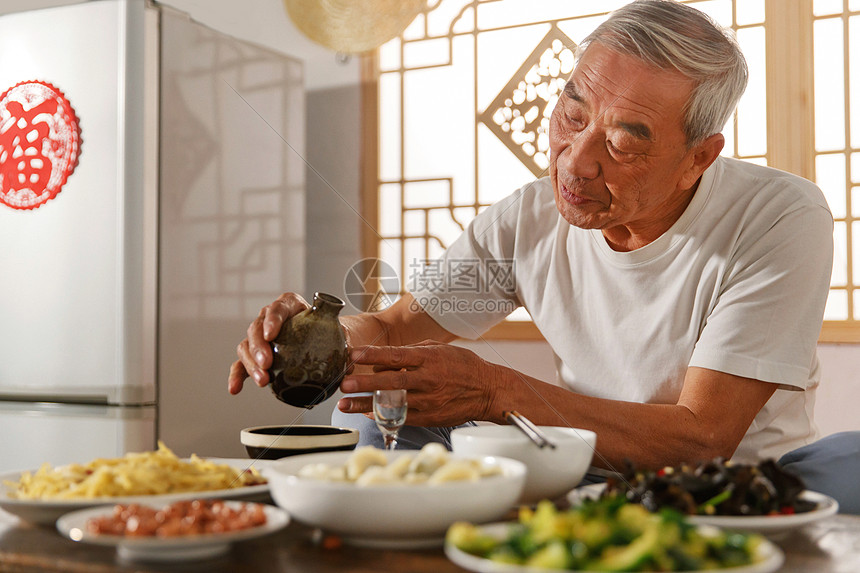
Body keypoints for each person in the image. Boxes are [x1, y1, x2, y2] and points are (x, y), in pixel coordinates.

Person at [229, 0, 860, 512]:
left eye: (621, 142)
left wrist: (495, 389)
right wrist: (317, 333)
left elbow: (702, 439)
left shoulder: (779, 216)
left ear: (699, 156)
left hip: (738, 489)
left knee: (851, 463)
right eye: (572, 113)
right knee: (389, 411)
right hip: (579, 465)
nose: (576, 162)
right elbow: (393, 329)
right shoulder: (528, 217)